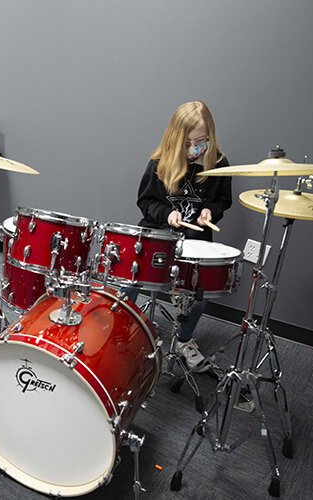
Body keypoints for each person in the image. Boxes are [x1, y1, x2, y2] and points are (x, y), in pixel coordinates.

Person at [125, 100, 232, 372]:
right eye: (188, 143)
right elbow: (145, 202)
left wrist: (210, 211)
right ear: (175, 139)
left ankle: (184, 340)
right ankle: (121, 328)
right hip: (158, 235)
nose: (195, 148)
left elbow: (223, 202)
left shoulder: (219, 164)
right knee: (129, 280)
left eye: (202, 141)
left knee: (198, 299)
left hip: (195, 243)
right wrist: (167, 214)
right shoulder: (159, 163)